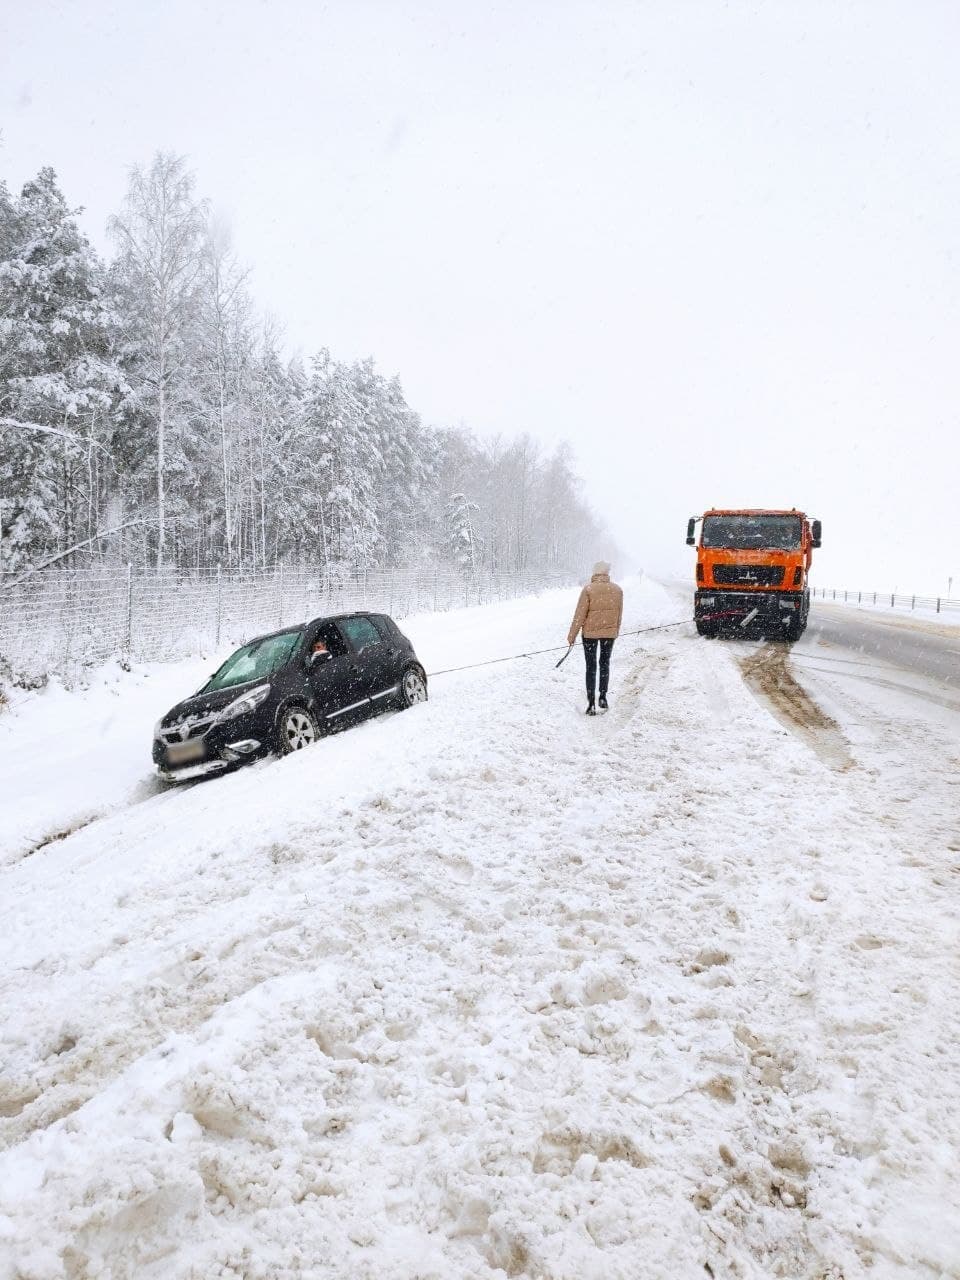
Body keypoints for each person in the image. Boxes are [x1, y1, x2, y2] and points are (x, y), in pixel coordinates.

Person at [567, 561, 623, 715]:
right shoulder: (617, 590)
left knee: (591, 667)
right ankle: (603, 697)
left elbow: (579, 615)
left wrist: (572, 636)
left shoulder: (588, 589)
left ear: (595, 572)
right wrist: (615, 631)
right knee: (604, 664)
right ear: (607, 573)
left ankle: (591, 703)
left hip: (590, 635)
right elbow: (619, 615)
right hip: (609, 635)